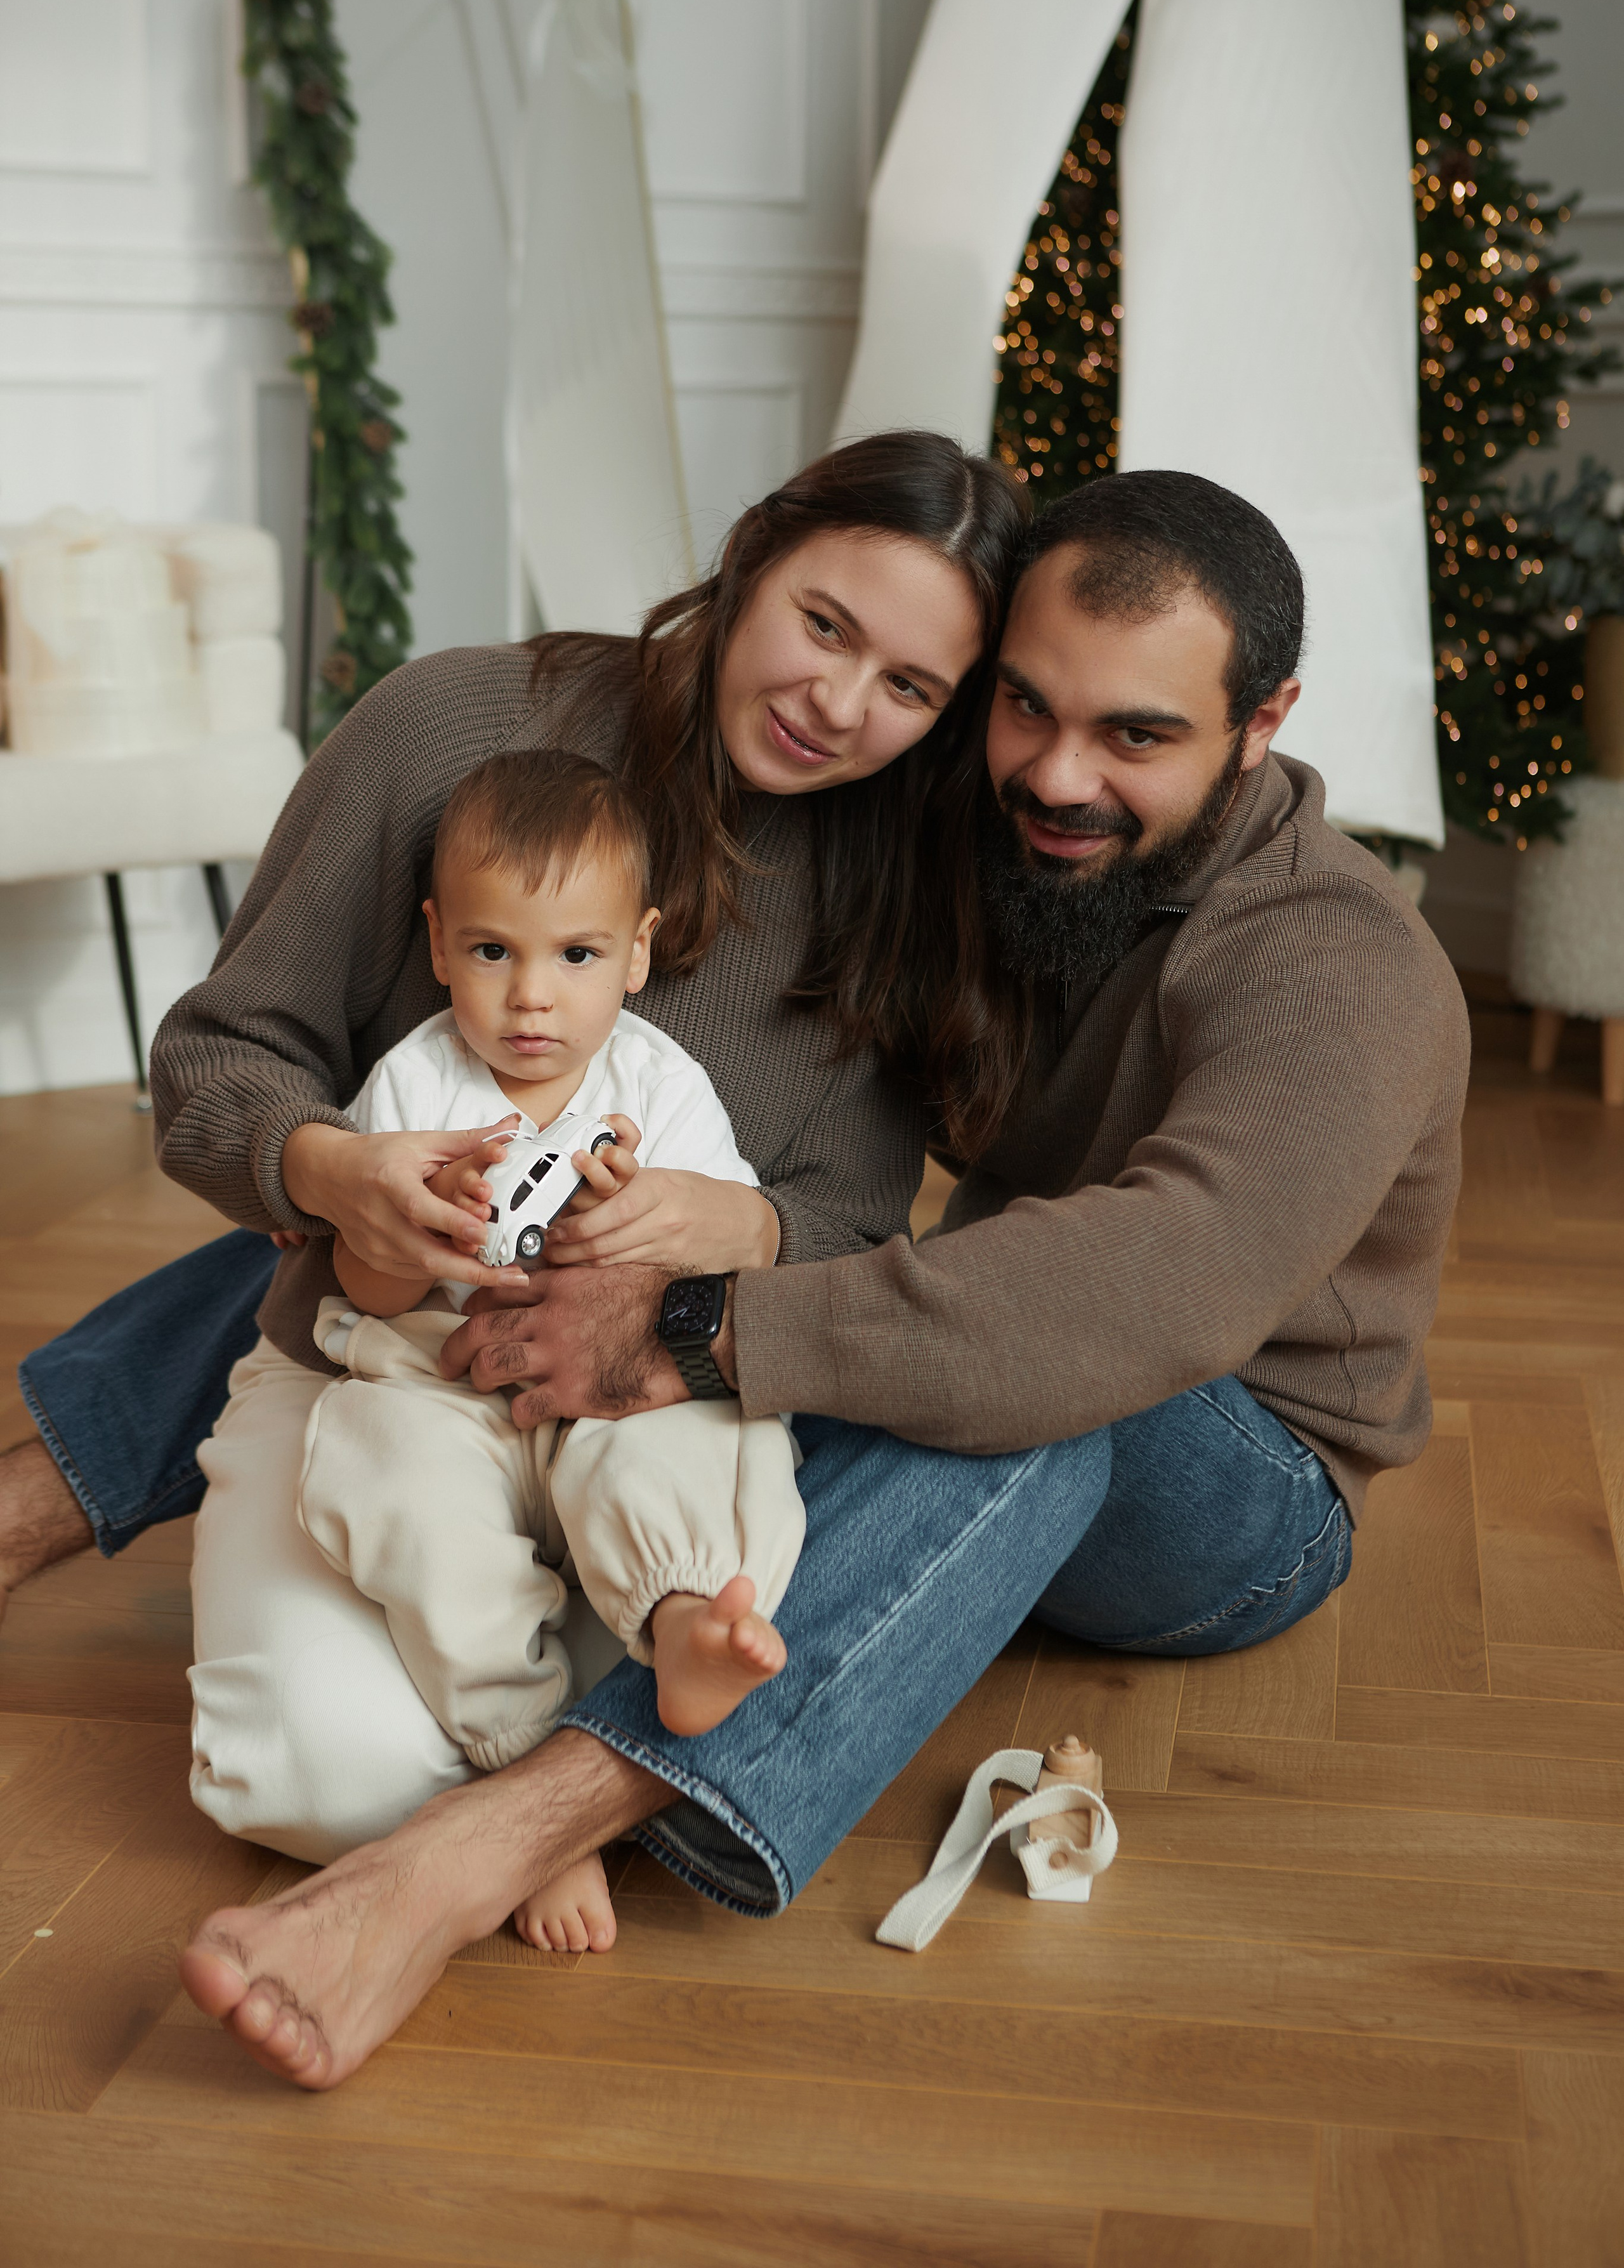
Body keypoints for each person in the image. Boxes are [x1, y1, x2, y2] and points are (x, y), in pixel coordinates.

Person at [8, 464, 1469, 2100]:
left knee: (1031, 1392)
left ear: (1261, 725)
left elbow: (1136, 1301)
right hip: (998, 1306)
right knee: (484, 1201)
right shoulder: (977, 824)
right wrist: (465, 1190)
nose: (1060, 773)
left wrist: (700, 1325)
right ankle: (40, 1498)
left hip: (1230, 1469)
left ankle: (494, 1842)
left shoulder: (1337, 964)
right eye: (1022, 707)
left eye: (1136, 733)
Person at [194, 745, 810, 1955]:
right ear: (439, 944)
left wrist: (642, 1225)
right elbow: (365, 1285)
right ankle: (521, 1757)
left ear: (638, 952)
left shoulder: (663, 1086)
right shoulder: (413, 1084)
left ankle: (684, 1614)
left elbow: (724, 1254)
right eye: (493, 952)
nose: (532, 999)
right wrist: (419, 1223)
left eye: (576, 956)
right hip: (442, 1383)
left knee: (701, 1434)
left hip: (611, 1383)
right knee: (385, 1473)